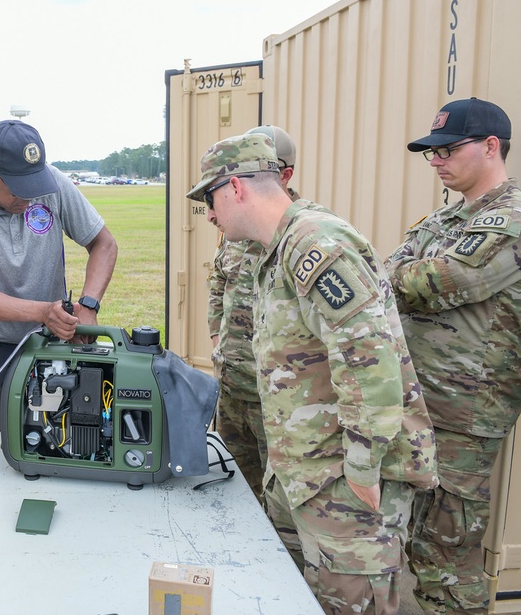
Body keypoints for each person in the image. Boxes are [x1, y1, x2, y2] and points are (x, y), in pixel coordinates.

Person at [188, 133, 438, 614]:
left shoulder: (316, 242)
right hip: (302, 473)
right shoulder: (274, 249)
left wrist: (364, 469)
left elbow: (370, 357)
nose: (211, 215)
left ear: (236, 188)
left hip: (343, 483)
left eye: (211, 199)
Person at [385, 98, 521, 614]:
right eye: (430, 152)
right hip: (423, 402)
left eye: (448, 150)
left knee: (447, 556)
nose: (435, 161)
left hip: (466, 414)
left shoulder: (519, 220)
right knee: (416, 537)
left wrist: (410, 274)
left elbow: (442, 281)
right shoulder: (448, 216)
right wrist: (406, 274)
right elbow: (395, 268)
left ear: (491, 146)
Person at [0, 120, 118, 459]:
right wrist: (41, 312)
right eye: (17, 187)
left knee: (68, 440)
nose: (30, 195)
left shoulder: (53, 185)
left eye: (34, 183)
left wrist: (88, 305)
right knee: (6, 452)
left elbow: (104, 244)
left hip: (56, 344)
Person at [207, 125, 299, 502]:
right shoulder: (238, 228)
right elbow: (217, 284)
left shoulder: (300, 238)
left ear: (285, 175)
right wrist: (219, 341)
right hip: (232, 389)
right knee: (230, 489)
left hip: (274, 402)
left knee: (276, 502)